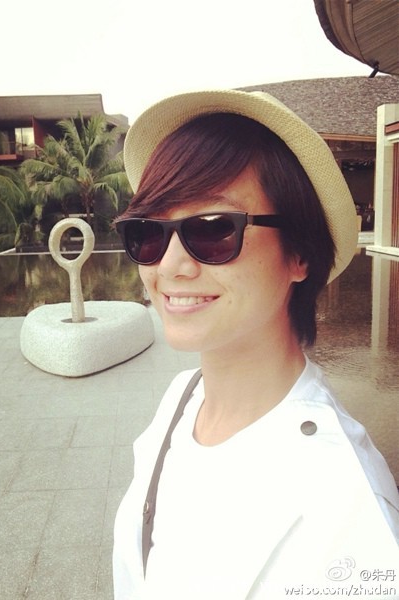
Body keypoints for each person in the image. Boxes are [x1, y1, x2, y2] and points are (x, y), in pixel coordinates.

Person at [113, 90, 399, 600]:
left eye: (213, 230)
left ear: (299, 255)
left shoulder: (345, 509)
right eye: (148, 233)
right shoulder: (182, 399)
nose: (170, 266)